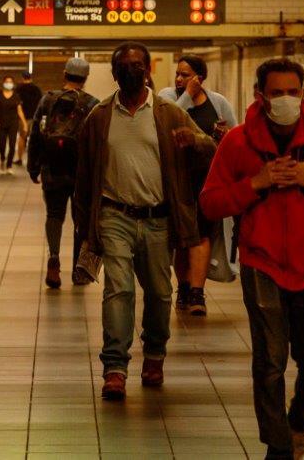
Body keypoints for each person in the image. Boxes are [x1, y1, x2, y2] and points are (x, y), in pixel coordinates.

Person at [199, 58, 304, 460]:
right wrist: (256, 183)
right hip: (262, 261)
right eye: (277, 93)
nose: (287, 99)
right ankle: (278, 447)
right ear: (261, 96)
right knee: (270, 361)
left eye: (293, 92)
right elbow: (210, 203)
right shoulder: (238, 142)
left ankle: (296, 424)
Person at [74, 41, 216, 402]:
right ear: (114, 72)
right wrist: (84, 227)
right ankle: (115, 368)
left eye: (137, 66)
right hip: (113, 214)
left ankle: (154, 355)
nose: (131, 72)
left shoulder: (168, 113)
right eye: (124, 67)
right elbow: (84, 174)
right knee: (117, 291)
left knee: (159, 293)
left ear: (149, 69)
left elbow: (209, 153)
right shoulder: (100, 116)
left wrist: (197, 142)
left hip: (158, 219)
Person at [158, 54, 237, 316]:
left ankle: (197, 292)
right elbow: (168, 120)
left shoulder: (218, 103)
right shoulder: (167, 97)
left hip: (207, 180)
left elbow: (235, 138)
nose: (179, 79)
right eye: (178, 74)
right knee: (183, 238)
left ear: (199, 77)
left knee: (202, 235)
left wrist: (224, 136)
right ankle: (182, 286)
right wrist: (186, 96)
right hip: (177, 180)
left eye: (185, 74)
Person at [28, 57, 100, 288]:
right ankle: (79, 270)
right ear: (85, 78)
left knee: (54, 214)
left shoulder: (48, 99)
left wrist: (33, 166)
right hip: (81, 171)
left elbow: (36, 133)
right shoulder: (92, 104)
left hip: (52, 167)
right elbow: (98, 141)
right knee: (81, 219)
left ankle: (54, 257)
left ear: (64, 74)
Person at [0, 74, 27, 174]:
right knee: (1, 145)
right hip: (1, 123)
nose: (9, 84)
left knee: (12, 145)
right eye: (7, 82)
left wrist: (24, 123)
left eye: (10, 82)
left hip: (13, 123)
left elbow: (19, 110)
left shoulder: (16, 96)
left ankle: (9, 165)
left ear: (13, 83)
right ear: (3, 83)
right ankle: (3, 158)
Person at [17, 70, 44, 161]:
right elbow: (41, 103)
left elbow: (17, 104)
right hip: (34, 117)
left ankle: (20, 158)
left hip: (23, 118)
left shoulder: (19, 89)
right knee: (34, 138)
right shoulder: (36, 89)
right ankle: (34, 159)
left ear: (22, 78)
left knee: (21, 137)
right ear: (31, 78)